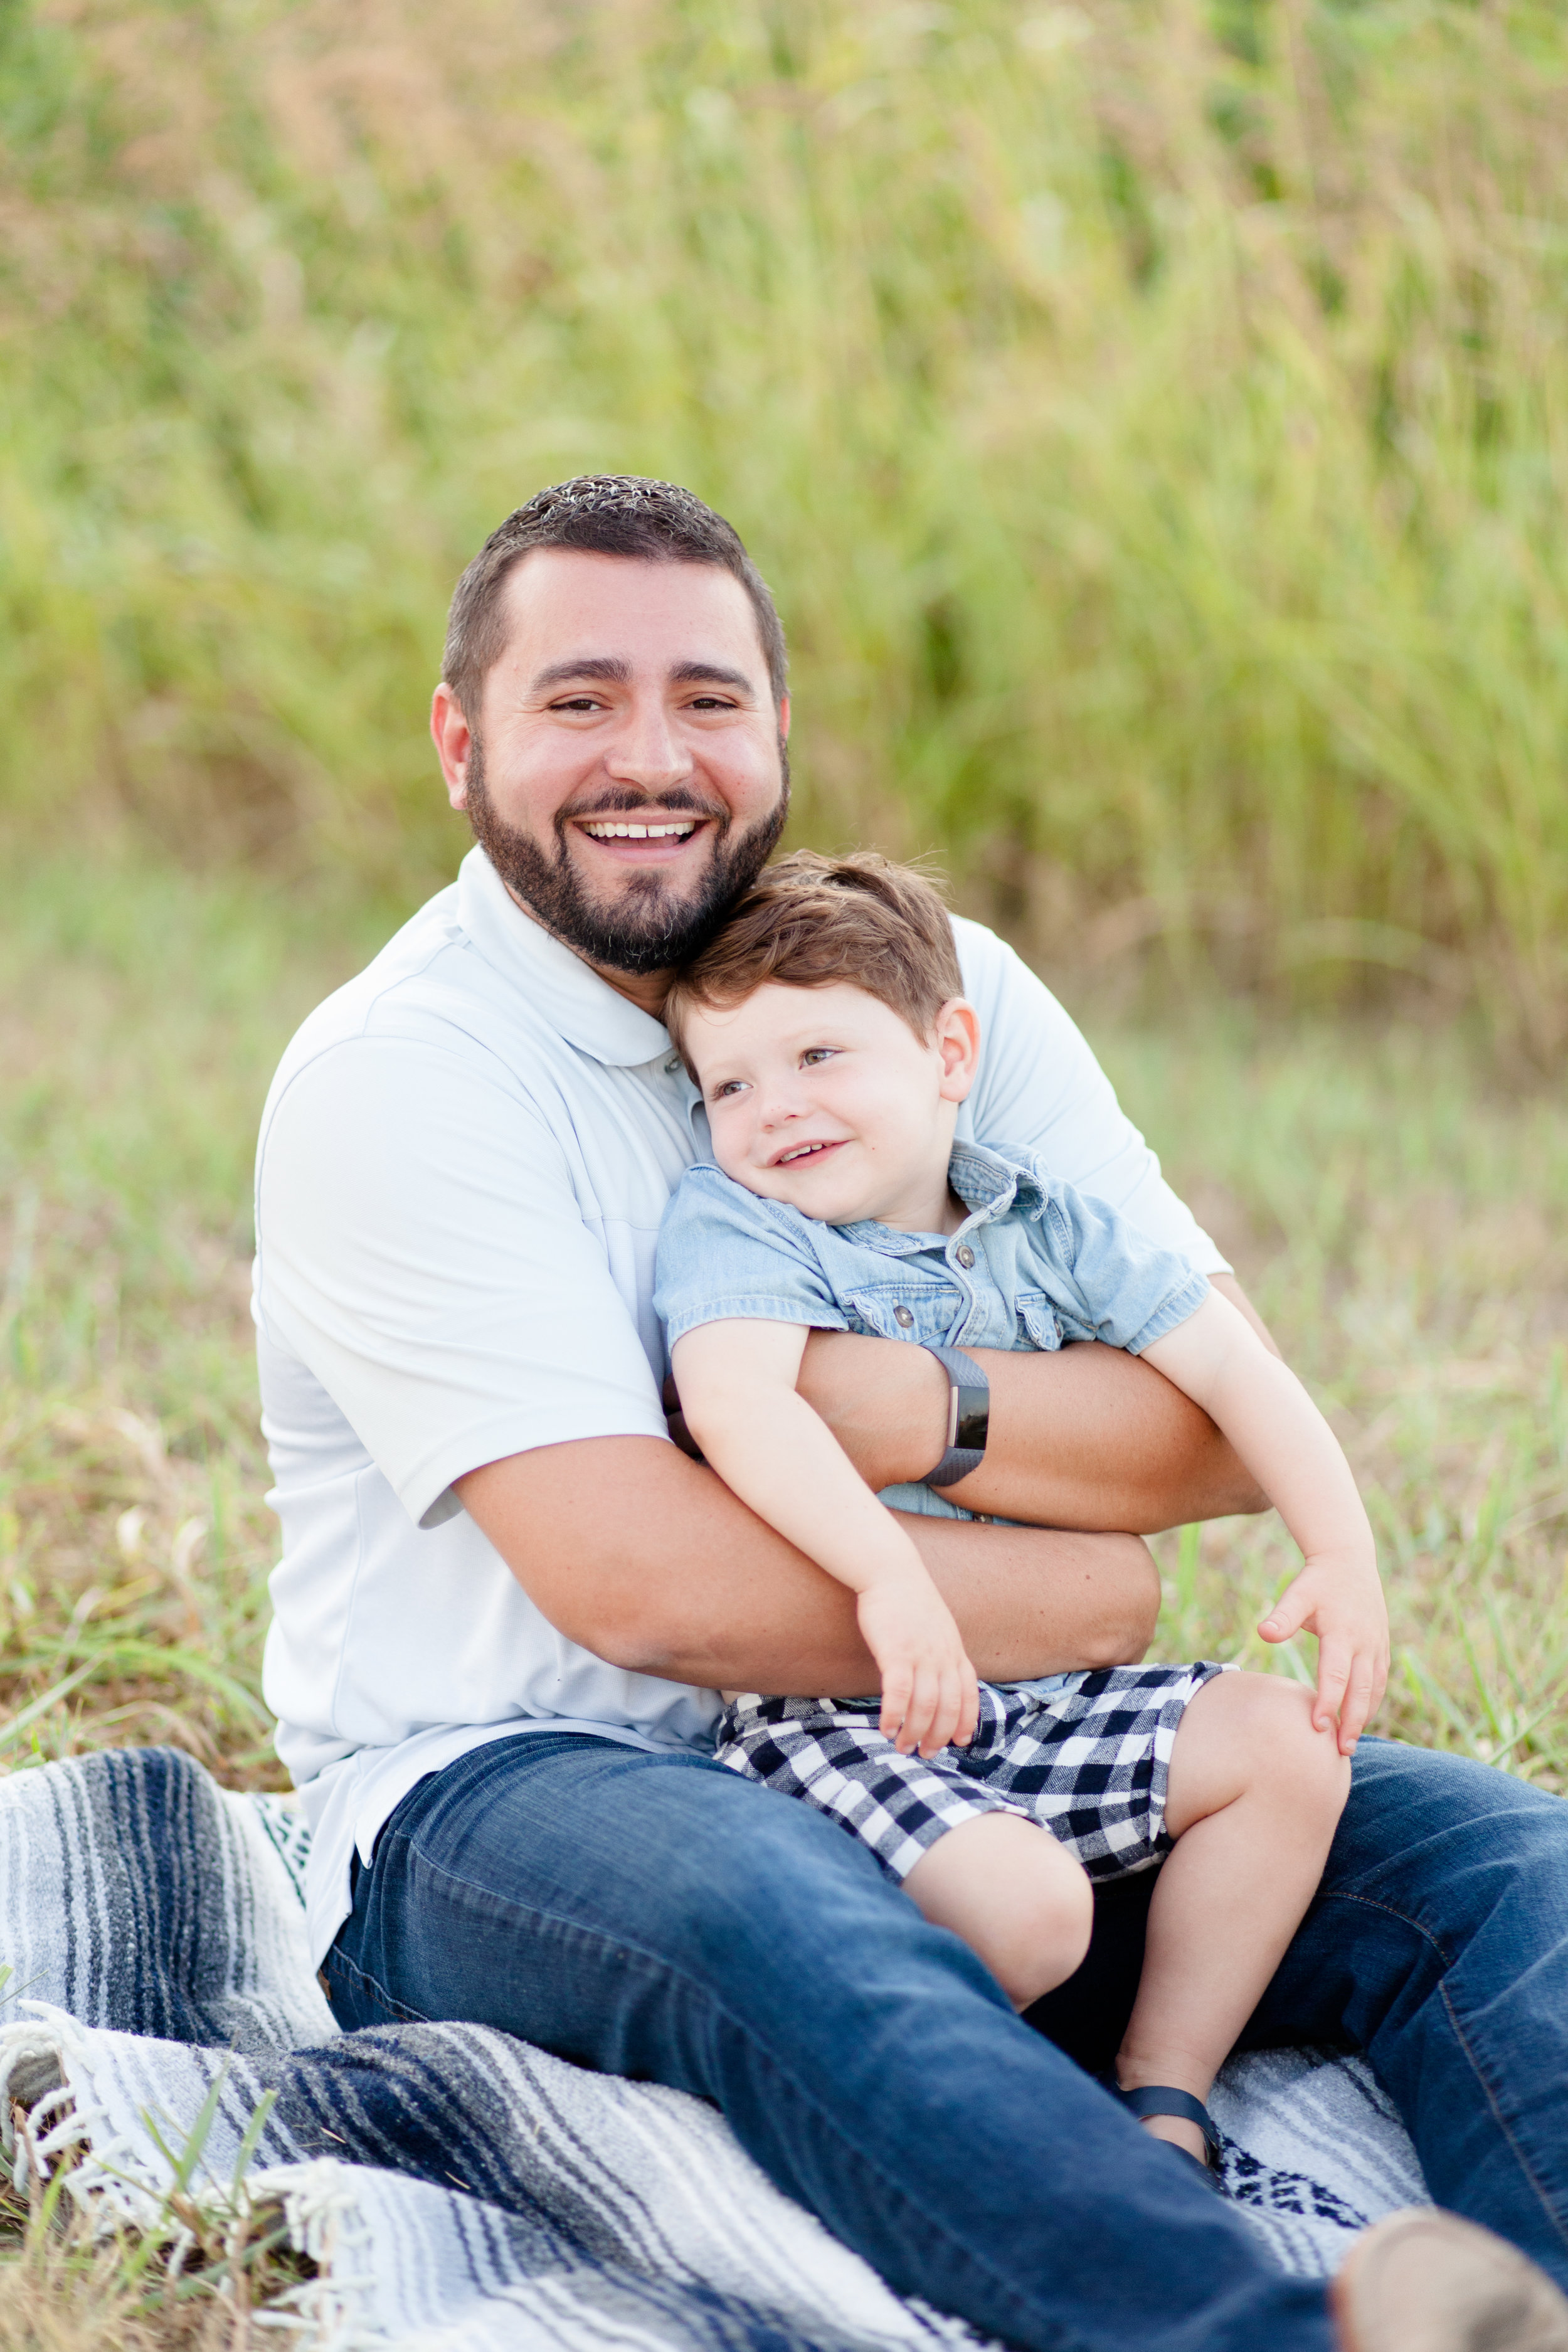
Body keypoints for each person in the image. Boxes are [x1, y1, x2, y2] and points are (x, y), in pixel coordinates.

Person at [254, 474, 1568, 2352]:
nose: (652, 753)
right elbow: (635, 1582)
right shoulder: (400, 1078)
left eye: (708, 697)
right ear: (462, 746)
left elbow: (1199, 1416)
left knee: (1486, 1857)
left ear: (777, 732)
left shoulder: (934, 992)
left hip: (964, 1742)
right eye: (578, 699)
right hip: (520, 1784)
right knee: (776, 1914)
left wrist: (890, 1402)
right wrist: (1084, 1594)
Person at [653, 848, 1374, 2174]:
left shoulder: (1047, 1227)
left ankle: (1161, 2089)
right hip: (833, 1715)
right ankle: (906, 2121)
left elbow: (1228, 1369)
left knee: (1287, 1751)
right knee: (1031, 1912)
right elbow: (738, 1405)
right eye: (730, 1084)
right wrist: (884, 1578)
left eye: (819, 1056)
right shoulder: (742, 1229)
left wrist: (1338, 1549)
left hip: (1031, 1700)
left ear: (947, 1053)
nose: (772, 1109)